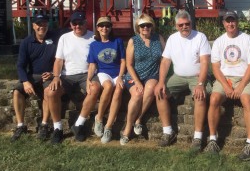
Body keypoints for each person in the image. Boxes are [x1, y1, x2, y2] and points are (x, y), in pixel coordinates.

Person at [204, 11, 250, 161]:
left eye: (232, 20)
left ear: (237, 22)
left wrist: (240, 87)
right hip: (225, 79)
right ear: (223, 23)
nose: (230, 24)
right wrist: (226, 87)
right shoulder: (219, 42)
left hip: (245, 79)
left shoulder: (247, 39)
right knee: (214, 98)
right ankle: (213, 139)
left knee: (246, 99)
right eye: (227, 21)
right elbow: (215, 67)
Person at [154, 10, 211, 150]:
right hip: (178, 77)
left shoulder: (200, 37)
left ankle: (198, 137)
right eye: (181, 25)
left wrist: (200, 84)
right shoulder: (172, 39)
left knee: (200, 96)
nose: (184, 27)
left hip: (197, 76)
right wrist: (161, 82)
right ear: (176, 26)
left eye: (187, 24)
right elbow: (165, 61)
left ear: (191, 23)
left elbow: (205, 62)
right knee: (160, 92)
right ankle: (168, 132)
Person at [47, 11, 101, 144]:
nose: (78, 26)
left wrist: (89, 78)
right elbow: (59, 60)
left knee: (95, 88)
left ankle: (79, 124)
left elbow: (95, 61)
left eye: (80, 23)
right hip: (67, 75)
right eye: (74, 23)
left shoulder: (93, 37)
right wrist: (56, 77)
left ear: (85, 23)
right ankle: (57, 128)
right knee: (50, 92)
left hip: (86, 74)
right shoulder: (64, 38)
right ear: (71, 24)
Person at [11, 14, 58, 142]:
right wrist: (25, 81)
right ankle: (20, 125)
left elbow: (61, 59)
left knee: (49, 91)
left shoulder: (55, 38)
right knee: (17, 91)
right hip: (32, 76)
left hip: (48, 75)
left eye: (44, 24)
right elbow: (20, 65)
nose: (42, 26)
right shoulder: (26, 42)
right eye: (38, 24)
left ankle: (44, 125)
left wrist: (54, 73)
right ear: (33, 26)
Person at [120, 14, 165, 145]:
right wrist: (138, 82)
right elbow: (129, 64)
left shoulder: (158, 38)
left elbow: (166, 57)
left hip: (152, 74)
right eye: (142, 25)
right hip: (135, 74)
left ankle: (138, 119)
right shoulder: (133, 41)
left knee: (150, 89)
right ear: (138, 28)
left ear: (152, 27)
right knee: (137, 94)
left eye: (148, 25)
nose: (146, 27)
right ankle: (128, 128)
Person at [87, 16, 126, 144]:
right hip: (104, 72)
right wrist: (88, 79)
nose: (104, 28)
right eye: (101, 25)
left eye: (107, 26)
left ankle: (108, 127)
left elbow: (122, 60)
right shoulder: (94, 45)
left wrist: (120, 76)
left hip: (117, 73)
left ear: (110, 28)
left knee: (119, 90)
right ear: (97, 28)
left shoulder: (117, 41)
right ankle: (99, 118)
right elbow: (92, 64)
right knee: (108, 86)